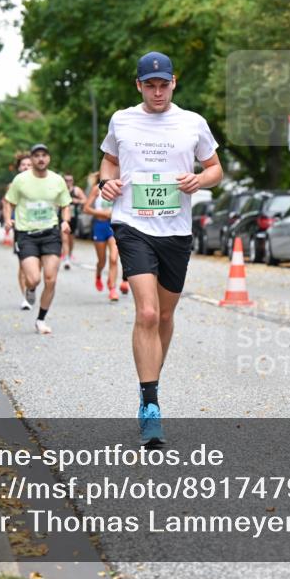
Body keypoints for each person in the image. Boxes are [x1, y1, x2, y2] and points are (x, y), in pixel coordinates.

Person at [99, 51, 223, 444]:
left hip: (176, 230)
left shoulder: (193, 123)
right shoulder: (121, 119)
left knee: (166, 315)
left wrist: (199, 181)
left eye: (163, 85)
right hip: (132, 223)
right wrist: (107, 184)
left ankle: (147, 383)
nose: (157, 92)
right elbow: (108, 163)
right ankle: (150, 404)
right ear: (138, 85)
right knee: (148, 312)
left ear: (174, 83)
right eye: (149, 85)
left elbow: (216, 169)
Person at [2, 143, 72, 334]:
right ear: (31, 159)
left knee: (50, 279)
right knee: (33, 279)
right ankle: (30, 289)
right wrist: (8, 219)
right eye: (37, 156)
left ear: (48, 158)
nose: (41, 159)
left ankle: (41, 319)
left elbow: (65, 204)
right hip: (27, 235)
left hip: (50, 233)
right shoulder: (20, 180)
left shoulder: (57, 180)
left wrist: (65, 221)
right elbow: (9, 202)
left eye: (44, 155)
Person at [83, 172, 129, 300]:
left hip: (113, 226)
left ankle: (112, 288)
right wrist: (103, 213)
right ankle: (98, 274)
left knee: (114, 258)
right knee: (102, 261)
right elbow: (86, 208)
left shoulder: (121, 187)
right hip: (100, 226)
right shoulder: (97, 188)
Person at [8, 152, 34, 309]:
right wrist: (8, 219)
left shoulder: (43, 182)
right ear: (18, 168)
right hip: (21, 228)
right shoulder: (13, 186)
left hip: (40, 228)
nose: (26, 167)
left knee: (36, 266)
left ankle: (32, 287)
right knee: (23, 264)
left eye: (29, 165)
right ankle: (25, 297)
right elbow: (7, 205)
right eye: (23, 165)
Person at [61, 173, 87, 270]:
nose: (68, 182)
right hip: (63, 218)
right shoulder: (61, 190)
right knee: (64, 239)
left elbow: (85, 200)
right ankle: (66, 258)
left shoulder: (76, 190)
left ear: (72, 181)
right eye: (66, 180)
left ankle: (69, 254)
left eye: (70, 180)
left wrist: (77, 201)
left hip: (73, 217)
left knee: (71, 239)